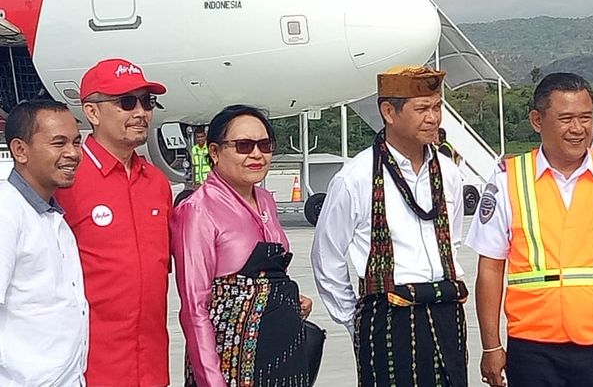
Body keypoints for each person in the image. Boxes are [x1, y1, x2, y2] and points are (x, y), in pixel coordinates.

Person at [467, 73, 593, 387]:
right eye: (566, 119)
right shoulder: (508, 179)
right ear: (537, 120)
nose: (578, 129)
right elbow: (490, 268)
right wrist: (491, 345)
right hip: (532, 348)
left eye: (586, 118)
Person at [312, 65, 468, 387]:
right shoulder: (355, 177)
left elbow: (453, 242)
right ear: (388, 112)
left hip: (445, 311)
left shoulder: (449, 175)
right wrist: (355, 319)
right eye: (422, 108)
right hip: (387, 316)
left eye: (437, 107)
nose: (433, 118)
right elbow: (326, 258)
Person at [171, 104, 313, 387]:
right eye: (244, 146)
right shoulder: (198, 210)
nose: (257, 154)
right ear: (214, 152)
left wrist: (285, 301)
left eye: (265, 144)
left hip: (278, 356)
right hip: (230, 364)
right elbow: (194, 307)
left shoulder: (267, 201)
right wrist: (212, 381)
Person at [56, 58, 172, 386]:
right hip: (89, 371)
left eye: (147, 102)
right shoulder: (66, 182)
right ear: (92, 113)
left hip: (151, 369)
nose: (141, 112)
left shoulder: (157, 184)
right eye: (126, 102)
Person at [0, 100, 87, 386]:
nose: (72, 153)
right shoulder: (7, 211)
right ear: (20, 150)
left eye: (76, 141)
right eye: (58, 143)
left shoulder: (49, 213)